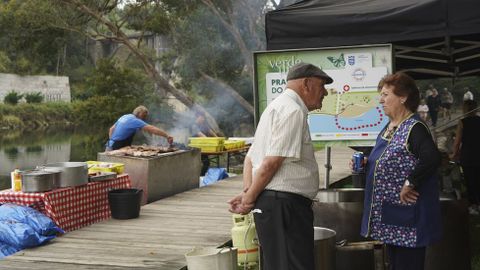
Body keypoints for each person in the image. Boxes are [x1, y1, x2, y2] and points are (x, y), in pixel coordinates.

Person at [228, 62, 333, 270]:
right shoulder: (292, 110)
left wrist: (249, 193)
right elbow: (270, 163)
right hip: (284, 207)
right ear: (306, 84)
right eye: (322, 86)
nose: (325, 93)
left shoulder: (275, 107)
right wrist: (249, 199)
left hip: (275, 204)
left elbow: (251, 159)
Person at [360, 72, 441, 270]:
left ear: (403, 97)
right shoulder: (391, 126)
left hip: (407, 217)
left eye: (386, 95)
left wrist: (410, 182)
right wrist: (368, 161)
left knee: (408, 264)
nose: (381, 100)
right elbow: (387, 156)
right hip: (392, 216)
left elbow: (432, 158)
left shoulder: (415, 128)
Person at [450, 100, 480, 215]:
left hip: (468, 157)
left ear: (465, 109)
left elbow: (457, 142)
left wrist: (453, 154)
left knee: (470, 181)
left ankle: (474, 206)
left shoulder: (462, 122)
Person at [105, 105, 173, 151]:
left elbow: (111, 129)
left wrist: (111, 142)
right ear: (138, 113)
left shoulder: (125, 116)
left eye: (145, 116)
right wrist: (167, 136)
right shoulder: (135, 121)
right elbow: (152, 129)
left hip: (109, 146)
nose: (144, 118)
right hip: (117, 148)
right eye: (143, 115)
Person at [190, 111, 218, 176]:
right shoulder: (194, 126)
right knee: (205, 162)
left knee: (206, 162)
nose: (203, 119)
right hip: (195, 147)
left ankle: (201, 176)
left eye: (203, 117)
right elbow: (201, 135)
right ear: (197, 117)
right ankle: (200, 176)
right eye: (201, 117)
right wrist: (211, 141)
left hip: (203, 147)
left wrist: (217, 138)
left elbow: (210, 131)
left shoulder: (203, 125)